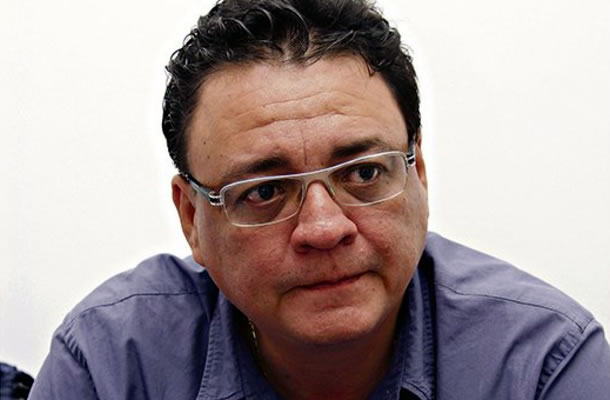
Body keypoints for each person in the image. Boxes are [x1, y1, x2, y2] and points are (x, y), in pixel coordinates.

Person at [29, 0, 610, 398]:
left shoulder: (542, 364)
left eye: (363, 173)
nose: (325, 228)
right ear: (192, 218)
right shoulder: (110, 366)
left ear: (419, 173)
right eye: (264, 191)